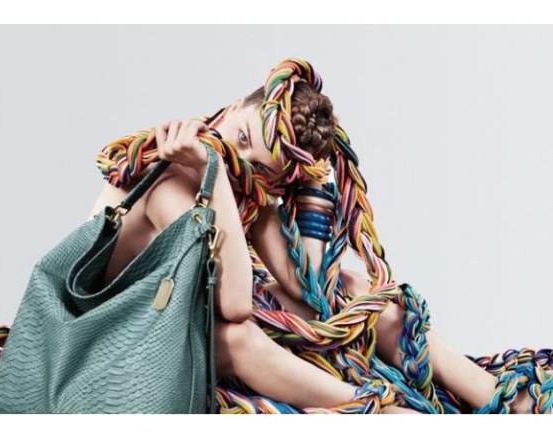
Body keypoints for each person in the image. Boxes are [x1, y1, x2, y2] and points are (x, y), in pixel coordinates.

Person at [88, 80, 535, 414]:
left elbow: (309, 289)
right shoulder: (167, 178)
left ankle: (501, 398)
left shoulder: (241, 185)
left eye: (262, 167)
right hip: (118, 338)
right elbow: (234, 306)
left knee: (352, 287)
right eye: (242, 138)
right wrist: (218, 175)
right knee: (238, 338)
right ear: (233, 107)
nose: (241, 161)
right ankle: (374, 411)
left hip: (181, 323)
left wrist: (310, 184)